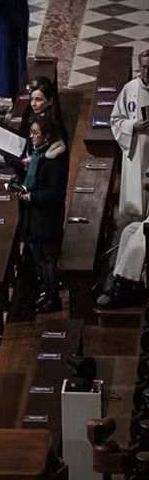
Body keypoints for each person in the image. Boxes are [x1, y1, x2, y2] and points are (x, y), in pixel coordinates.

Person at [101, 49, 149, 307]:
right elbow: (115, 120)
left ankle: (131, 285)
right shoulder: (130, 90)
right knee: (130, 224)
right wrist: (134, 127)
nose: (147, 72)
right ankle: (120, 284)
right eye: (143, 67)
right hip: (136, 161)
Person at [15, 113, 67, 313]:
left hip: (47, 219)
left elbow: (55, 193)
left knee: (48, 261)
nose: (31, 137)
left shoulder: (54, 160)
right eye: (31, 132)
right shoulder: (38, 155)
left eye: (35, 133)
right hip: (35, 218)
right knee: (39, 259)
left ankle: (53, 299)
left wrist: (32, 197)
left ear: (47, 136)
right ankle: (46, 293)